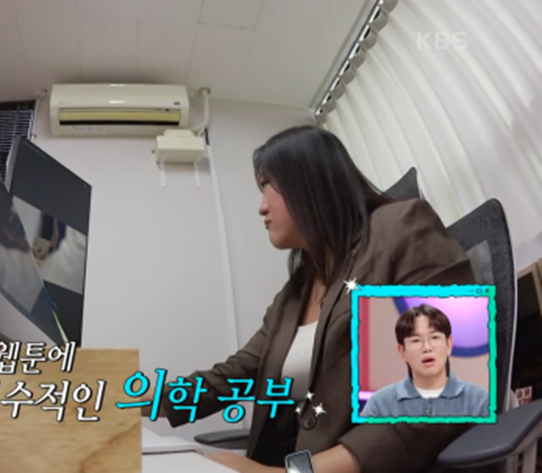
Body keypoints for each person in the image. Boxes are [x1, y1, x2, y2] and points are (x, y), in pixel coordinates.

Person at [141, 125, 479, 473]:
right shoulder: (295, 294)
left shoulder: (398, 230)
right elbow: (232, 378)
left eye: (267, 186)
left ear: (309, 181)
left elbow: (442, 386)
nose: (261, 207)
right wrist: (136, 399)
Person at [360, 304, 490, 418]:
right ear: (402, 351)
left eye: (434, 338)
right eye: (416, 340)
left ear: (449, 345)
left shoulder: (479, 400)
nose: (427, 348)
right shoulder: (380, 404)